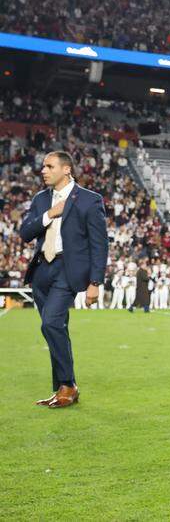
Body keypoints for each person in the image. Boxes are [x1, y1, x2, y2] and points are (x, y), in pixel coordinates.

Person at [18, 151, 108, 408]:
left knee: (50, 323)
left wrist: (95, 282)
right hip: (41, 272)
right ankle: (62, 389)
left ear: (66, 169)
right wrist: (49, 214)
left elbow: (99, 244)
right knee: (57, 329)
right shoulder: (40, 199)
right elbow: (25, 233)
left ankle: (68, 384)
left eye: (49, 166)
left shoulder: (90, 200)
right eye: (43, 166)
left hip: (67, 270)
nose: (43, 170)